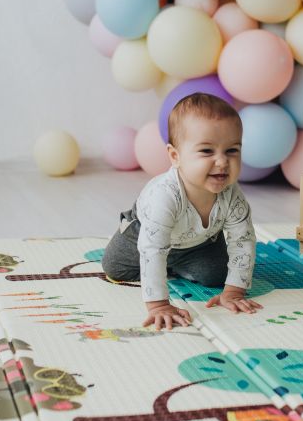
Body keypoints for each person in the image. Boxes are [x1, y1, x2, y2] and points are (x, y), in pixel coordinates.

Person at [102, 93, 260, 331]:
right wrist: (158, 305)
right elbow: (152, 249)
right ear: (175, 156)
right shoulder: (164, 197)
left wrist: (234, 292)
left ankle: (174, 264)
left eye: (232, 150)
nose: (222, 161)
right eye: (207, 151)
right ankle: (167, 263)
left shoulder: (232, 195)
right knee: (114, 267)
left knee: (218, 276)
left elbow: (243, 240)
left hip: (200, 240)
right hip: (144, 231)